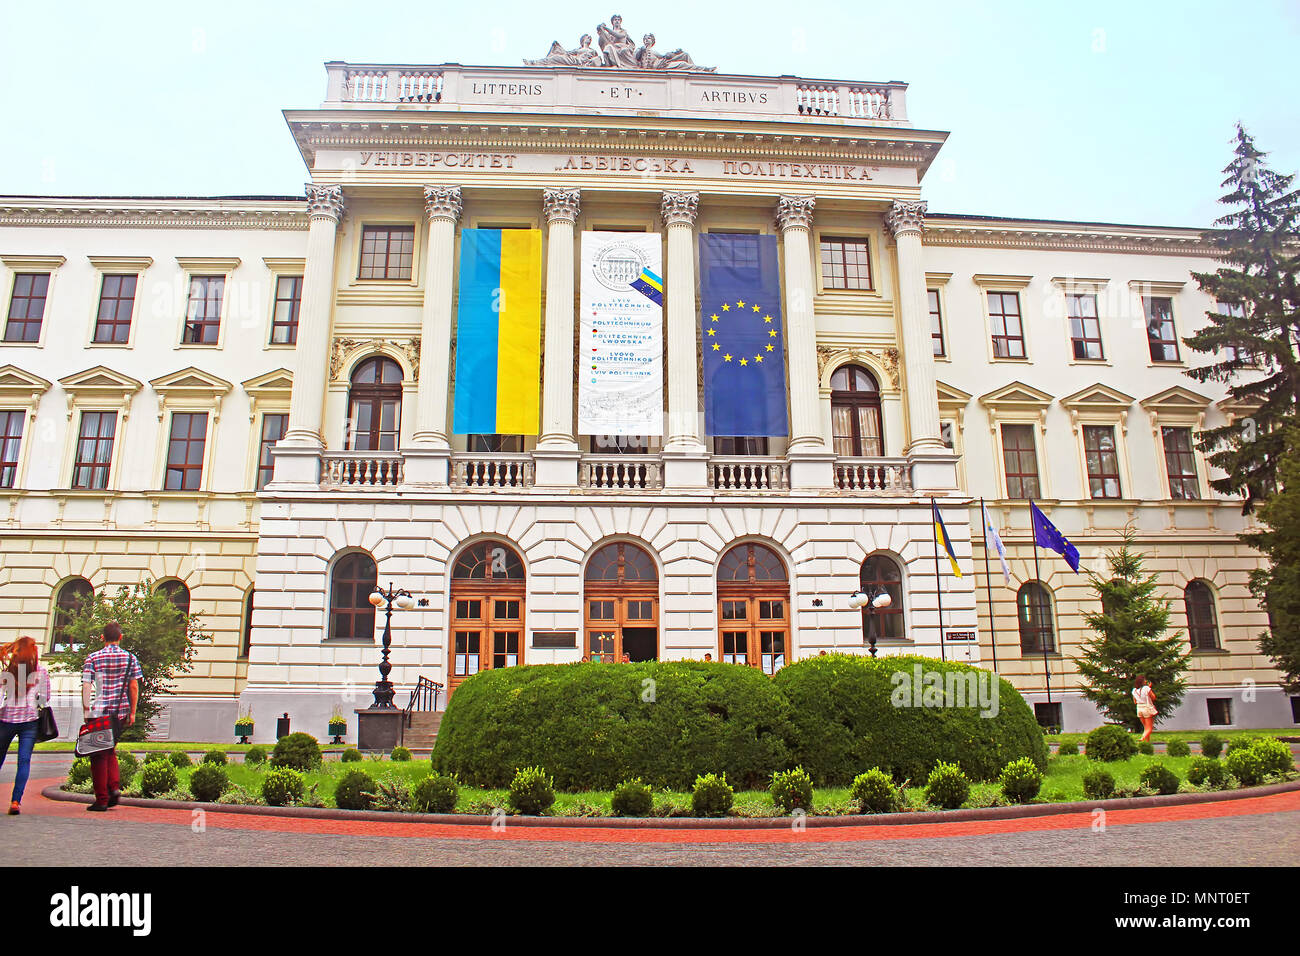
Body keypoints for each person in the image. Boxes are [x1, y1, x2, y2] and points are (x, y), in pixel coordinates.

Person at [81, 621, 141, 811]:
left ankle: (102, 799)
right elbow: (133, 685)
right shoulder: (130, 658)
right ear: (120, 637)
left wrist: (86, 710)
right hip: (119, 712)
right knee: (109, 749)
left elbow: (87, 685)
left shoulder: (93, 658)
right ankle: (113, 788)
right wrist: (132, 711)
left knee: (98, 755)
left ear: (102, 638)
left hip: (99, 711)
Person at [0, 637, 51, 815]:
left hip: (6, 720)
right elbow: (45, 698)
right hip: (29, 721)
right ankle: (15, 801)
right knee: (24, 761)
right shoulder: (41, 672)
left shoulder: (9, 671)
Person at [1132, 675, 1157, 742]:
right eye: (1144, 680)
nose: (1146, 681)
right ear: (1142, 682)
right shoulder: (1146, 688)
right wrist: (1149, 688)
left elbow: (1135, 701)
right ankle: (1142, 738)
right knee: (1149, 728)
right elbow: (1153, 697)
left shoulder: (1134, 690)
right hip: (1146, 708)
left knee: (1145, 727)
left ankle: (1147, 743)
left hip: (1139, 708)